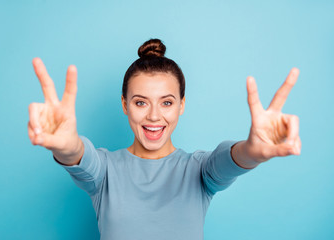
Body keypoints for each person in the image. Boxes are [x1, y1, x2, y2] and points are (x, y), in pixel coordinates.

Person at [28, 39, 301, 240]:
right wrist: (66, 145)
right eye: (140, 102)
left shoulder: (199, 170)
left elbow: (229, 159)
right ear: (125, 105)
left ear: (182, 105)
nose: (154, 116)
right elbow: (80, 156)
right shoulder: (105, 170)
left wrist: (254, 150)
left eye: (167, 102)